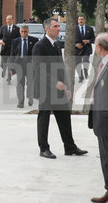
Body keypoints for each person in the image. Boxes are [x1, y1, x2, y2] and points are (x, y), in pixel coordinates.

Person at [32, 18, 87, 159]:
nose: (58, 28)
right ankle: (44, 148)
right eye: (55, 26)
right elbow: (39, 69)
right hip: (45, 89)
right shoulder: (40, 46)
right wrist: (55, 83)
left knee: (64, 117)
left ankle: (70, 147)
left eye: (58, 26)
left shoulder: (56, 45)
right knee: (44, 118)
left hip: (59, 89)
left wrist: (66, 87)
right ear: (47, 29)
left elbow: (60, 68)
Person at [88, 33, 108, 203]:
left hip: (106, 120)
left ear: (99, 48)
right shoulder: (104, 63)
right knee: (105, 158)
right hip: (101, 120)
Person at [9, 25, 38, 108]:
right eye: (22, 32)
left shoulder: (34, 40)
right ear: (20, 32)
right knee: (20, 84)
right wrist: (11, 68)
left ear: (28, 32)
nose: (23, 33)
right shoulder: (15, 41)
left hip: (30, 64)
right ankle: (20, 102)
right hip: (19, 64)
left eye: (25, 32)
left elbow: (37, 53)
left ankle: (30, 97)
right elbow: (12, 55)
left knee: (30, 83)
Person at [0, 15, 20, 84]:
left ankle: (9, 79)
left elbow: (19, 39)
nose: (8, 21)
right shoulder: (3, 28)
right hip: (4, 49)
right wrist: (0, 41)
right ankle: (4, 70)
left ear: (12, 20)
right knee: (3, 64)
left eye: (9, 19)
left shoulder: (16, 29)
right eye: (7, 19)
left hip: (12, 50)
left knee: (10, 65)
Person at [75, 15, 95, 83]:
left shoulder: (90, 28)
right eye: (79, 19)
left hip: (87, 48)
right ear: (77, 21)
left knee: (85, 60)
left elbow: (93, 38)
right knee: (78, 63)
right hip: (78, 49)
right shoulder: (74, 29)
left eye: (82, 19)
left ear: (84, 20)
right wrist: (76, 44)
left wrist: (88, 41)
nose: (80, 20)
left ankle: (86, 71)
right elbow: (70, 39)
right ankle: (81, 77)